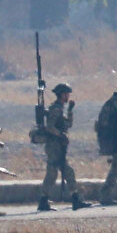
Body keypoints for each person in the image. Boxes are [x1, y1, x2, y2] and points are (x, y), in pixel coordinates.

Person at [36, 82, 89, 212]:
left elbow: (68, 125)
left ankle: (45, 200)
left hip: (58, 146)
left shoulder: (60, 108)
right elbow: (50, 127)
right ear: (61, 95)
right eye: (66, 94)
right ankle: (74, 199)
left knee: (56, 173)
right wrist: (60, 135)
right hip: (54, 146)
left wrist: (70, 111)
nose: (68, 96)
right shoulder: (55, 109)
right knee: (62, 172)